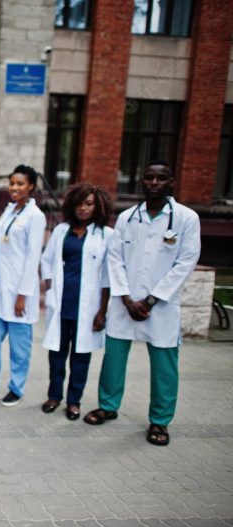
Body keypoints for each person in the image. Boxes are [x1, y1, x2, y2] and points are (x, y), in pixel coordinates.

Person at [84, 160, 200, 446]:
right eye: (148, 178)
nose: (154, 183)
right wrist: (125, 298)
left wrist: (150, 300)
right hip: (125, 304)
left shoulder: (186, 218)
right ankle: (108, 406)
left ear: (171, 182)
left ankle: (160, 421)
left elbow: (186, 262)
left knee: (164, 365)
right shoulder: (127, 218)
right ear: (141, 181)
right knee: (113, 358)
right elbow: (115, 259)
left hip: (160, 306)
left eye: (160, 179)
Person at [0, 164, 46, 407]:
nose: (14, 188)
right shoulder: (8, 211)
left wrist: (23, 295)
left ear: (31, 187)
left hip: (19, 293)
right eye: (12, 183)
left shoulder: (36, 217)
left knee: (19, 348)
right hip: (0, 289)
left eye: (20, 184)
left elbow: (33, 257)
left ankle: (16, 387)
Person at [40, 183, 113, 420]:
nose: (83, 208)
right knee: (57, 355)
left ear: (98, 206)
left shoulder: (105, 235)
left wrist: (102, 312)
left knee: (81, 357)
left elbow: (107, 277)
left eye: (89, 204)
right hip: (61, 305)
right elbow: (47, 261)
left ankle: (74, 401)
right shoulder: (62, 231)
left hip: (88, 308)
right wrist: (50, 287)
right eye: (79, 203)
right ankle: (54, 396)